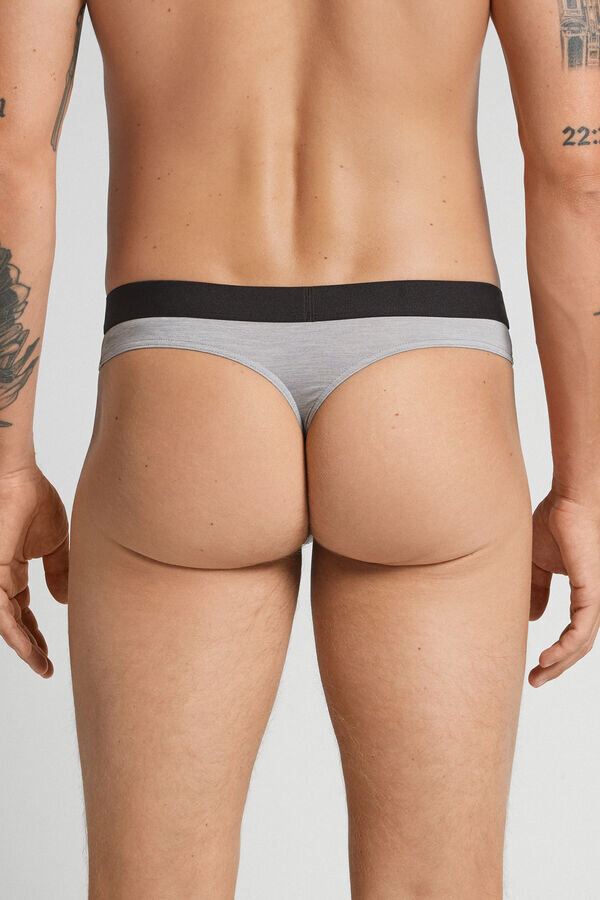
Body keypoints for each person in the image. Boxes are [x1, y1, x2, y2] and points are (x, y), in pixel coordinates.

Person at [1, 0, 599, 896]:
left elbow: (11, 155)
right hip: (429, 373)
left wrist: (7, 464)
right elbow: (579, 170)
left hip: (184, 367)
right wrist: (584, 486)